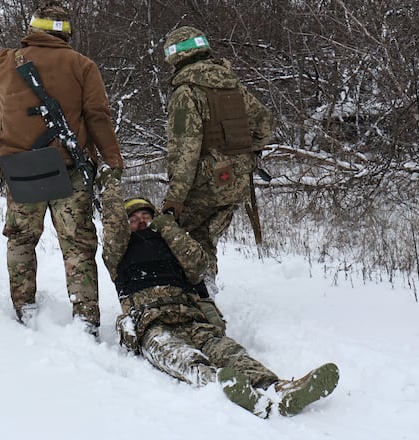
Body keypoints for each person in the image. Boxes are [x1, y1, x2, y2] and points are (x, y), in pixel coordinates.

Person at [0, 1, 124, 334]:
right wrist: (112, 161)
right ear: (65, 32)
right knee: (77, 245)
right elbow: (98, 118)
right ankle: (85, 321)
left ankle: (25, 310)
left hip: (22, 172)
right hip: (69, 171)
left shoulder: (4, 62)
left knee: (21, 241)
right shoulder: (82, 65)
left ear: (33, 28)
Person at [96, 167, 338, 418]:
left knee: (230, 352)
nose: (140, 222)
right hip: (151, 324)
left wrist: (167, 228)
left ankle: (276, 389)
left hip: (190, 315)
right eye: (133, 219)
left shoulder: (171, 245)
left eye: (145, 216)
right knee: (184, 359)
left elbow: (199, 264)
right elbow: (113, 226)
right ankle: (228, 389)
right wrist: (111, 185)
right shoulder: (118, 253)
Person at [159, 26, 273, 295]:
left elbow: (183, 152)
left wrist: (174, 200)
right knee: (205, 236)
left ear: (175, 57)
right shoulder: (233, 85)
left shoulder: (186, 92)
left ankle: (182, 292)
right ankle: (205, 288)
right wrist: (248, 155)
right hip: (237, 181)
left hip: (205, 183)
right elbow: (264, 123)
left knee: (170, 235)